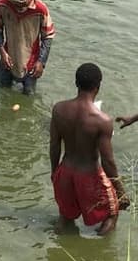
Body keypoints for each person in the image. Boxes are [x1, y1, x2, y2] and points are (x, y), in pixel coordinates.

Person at [50, 63, 129, 236]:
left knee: (65, 217)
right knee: (112, 214)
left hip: (65, 172)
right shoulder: (102, 120)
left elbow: (54, 145)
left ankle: (60, 252)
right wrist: (120, 190)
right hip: (89, 176)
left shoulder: (59, 110)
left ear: (76, 83)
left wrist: (55, 173)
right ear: (98, 86)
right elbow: (107, 161)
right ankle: (97, 256)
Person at [0, 0, 55, 95]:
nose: (20, 7)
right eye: (16, 4)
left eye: (22, 3)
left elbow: (47, 37)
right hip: (8, 60)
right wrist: (2, 52)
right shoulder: (2, 6)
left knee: (29, 97)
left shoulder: (40, 9)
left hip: (31, 64)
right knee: (1, 93)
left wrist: (41, 62)